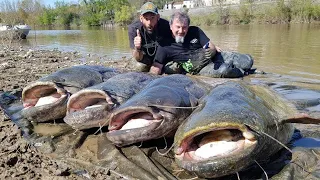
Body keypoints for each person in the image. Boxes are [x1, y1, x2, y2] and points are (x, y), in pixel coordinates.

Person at [149, 11, 254, 78]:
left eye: (184, 27)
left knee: (248, 61)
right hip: (200, 68)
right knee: (225, 70)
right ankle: (243, 72)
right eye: (178, 27)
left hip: (214, 56)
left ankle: (244, 68)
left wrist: (212, 50)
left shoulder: (195, 31)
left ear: (188, 26)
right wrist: (149, 79)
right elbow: (156, 67)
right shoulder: (164, 46)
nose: (181, 30)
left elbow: (210, 45)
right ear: (170, 26)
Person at [128, 2, 172, 72]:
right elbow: (137, 58)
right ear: (141, 18)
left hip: (162, 57)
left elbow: (173, 48)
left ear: (158, 17)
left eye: (152, 18)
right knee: (140, 67)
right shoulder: (133, 29)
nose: (149, 23)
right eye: (146, 19)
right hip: (144, 58)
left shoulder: (166, 25)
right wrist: (137, 48)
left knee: (173, 68)